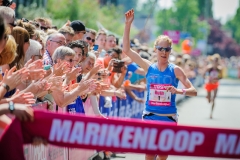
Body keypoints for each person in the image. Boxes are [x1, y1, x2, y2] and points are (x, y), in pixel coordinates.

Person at [123, 9, 197, 160]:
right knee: (149, 154)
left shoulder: (176, 70)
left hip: (168, 118)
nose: (164, 52)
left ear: (170, 51)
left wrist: (178, 91)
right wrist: (128, 25)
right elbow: (126, 50)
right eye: (161, 49)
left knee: (162, 156)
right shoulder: (148, 67)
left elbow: (193, 91)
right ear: (155, 50)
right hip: (150, 116)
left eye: (167, 49)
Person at [204, 54, 222, 119]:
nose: (215, 62)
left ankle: (211, 114)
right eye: (215, 60)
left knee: (214, 99)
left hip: (215, 84)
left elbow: (221, 77)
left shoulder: (219, 69)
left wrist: (216, 79)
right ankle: (208, 97)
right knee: (209, 101)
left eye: (217, 61)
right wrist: (208, 78)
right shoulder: (209, 68)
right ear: (213, 61)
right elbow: (203, 75)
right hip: (209, 84)